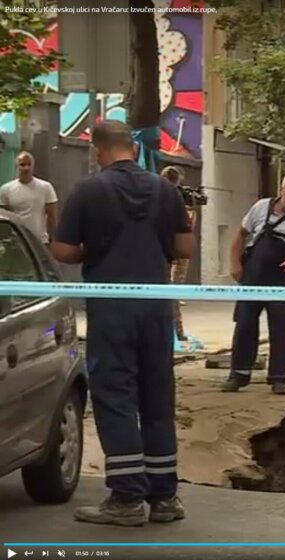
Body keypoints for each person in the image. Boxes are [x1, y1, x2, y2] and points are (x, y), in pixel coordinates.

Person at [51, 120, 194, 526]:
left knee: (115, 397)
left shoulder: (88, 190)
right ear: (132, 147)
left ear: (98, 151)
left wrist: (91, 251)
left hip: (112, 307)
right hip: (154, 307)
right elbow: (184, 246)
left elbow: (63, 250)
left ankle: (127, 498)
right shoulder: (166, 190)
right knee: (156, 396)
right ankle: (164, 497)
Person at [224, 172, 285, 395]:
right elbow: (241, 235)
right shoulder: (260, 208)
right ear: (280, 192)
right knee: (245, 325)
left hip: (281, 280)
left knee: (281, 329)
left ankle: (279, 378)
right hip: (253, 277)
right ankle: (238, 375)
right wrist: (235, 263)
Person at [161, 166, 195, 340]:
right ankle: (175, 330)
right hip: (169, 252)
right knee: (171, 292)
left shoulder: (160, 197)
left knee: (170, 291)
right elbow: (188, 231)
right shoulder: (169, 199)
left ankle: (175, 330)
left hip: (168, 252)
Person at [0, 151, 59, 244]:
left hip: (40, 242)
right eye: (22, 165)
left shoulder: (45, 187)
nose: (26, 168)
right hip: (17, 243)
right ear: (17, 167)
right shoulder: (6, 189)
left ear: (33, 166)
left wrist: (55, 240)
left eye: (29, 164)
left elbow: (53, 216)